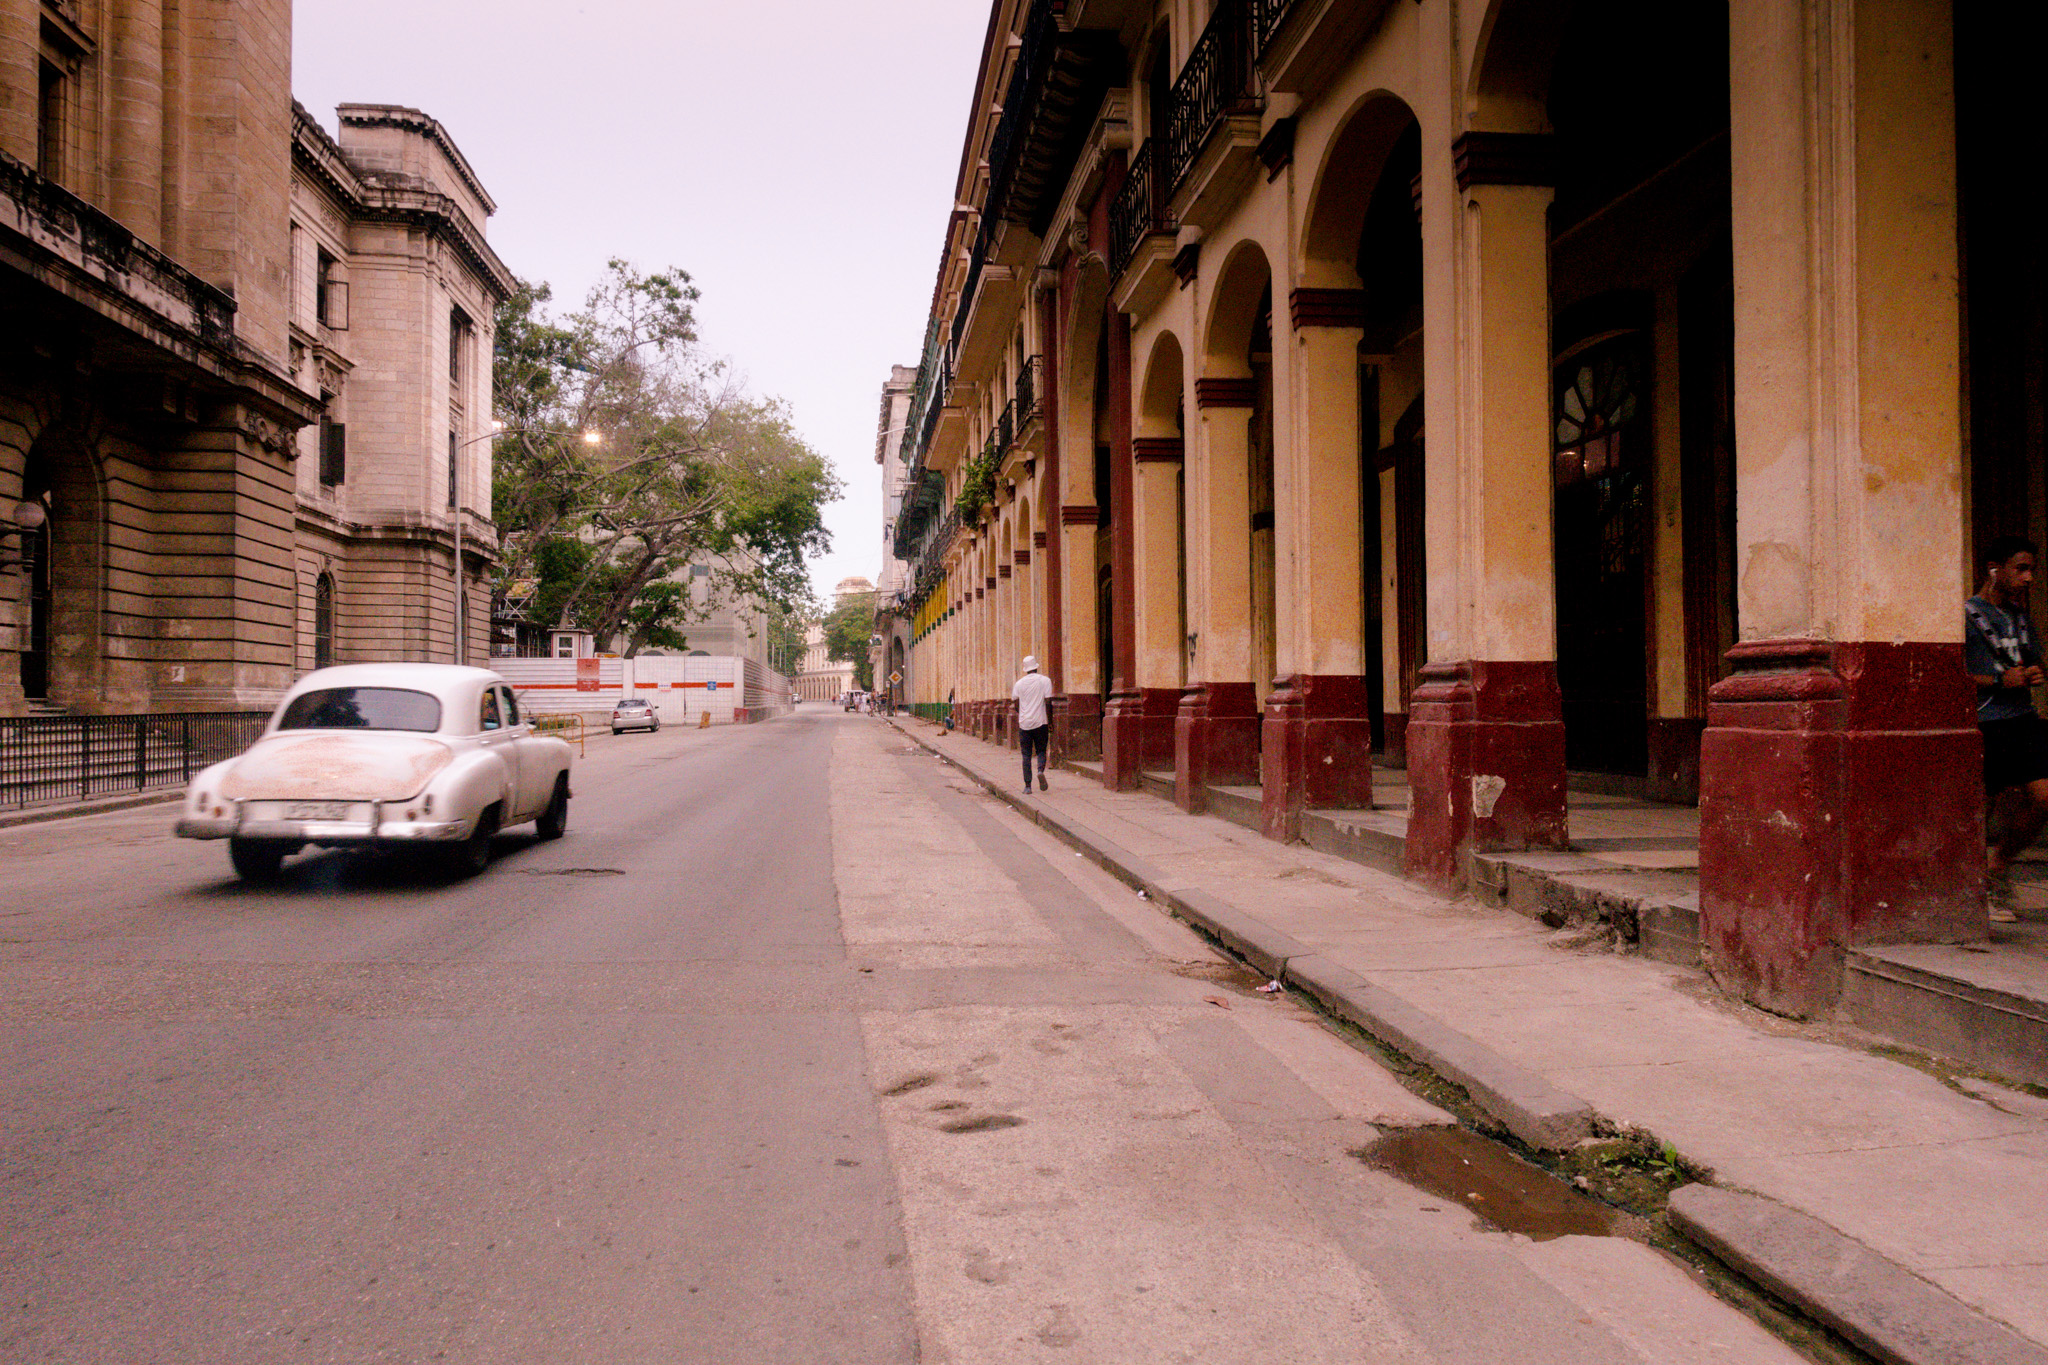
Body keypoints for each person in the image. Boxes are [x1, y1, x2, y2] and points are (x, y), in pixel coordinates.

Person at [1966, 534, 2048, 923]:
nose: (2029, 577)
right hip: (1986, 721)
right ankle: (1978, 887)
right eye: (2021, 569)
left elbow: (2032, 659)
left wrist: (2034, 672)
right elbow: (1952, 674)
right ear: (1994, 570)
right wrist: (1999, 680)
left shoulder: (2018, 616)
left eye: (2032, 569)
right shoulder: (1968, 615)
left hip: (2022, 718)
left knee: (2044, 797)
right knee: (1985, 804)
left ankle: (1998, 864)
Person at [1012, 655, 1054, 794]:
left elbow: (1016, 704)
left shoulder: (1019, 684)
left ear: (1025, 669)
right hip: (1041, 722)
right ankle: (1040, 770)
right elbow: (1048, 703)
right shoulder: (1045, 681)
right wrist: (1050, 721)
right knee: (1041, 750)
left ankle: (1028, 786)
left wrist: (1024, 714)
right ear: (1036, 667)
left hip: (1025, 724)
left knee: (1026, 755)